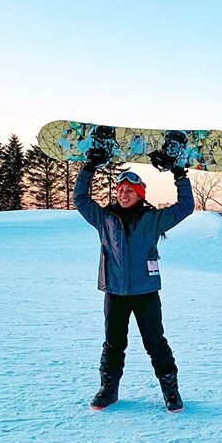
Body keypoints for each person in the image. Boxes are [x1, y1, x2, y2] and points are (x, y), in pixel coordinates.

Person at [73, 128, 195, 412]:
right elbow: (81, 200)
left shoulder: (153, 219)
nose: (124, 194)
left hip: (145, 292)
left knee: (155, 343)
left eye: (130, 191)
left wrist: (179, 174)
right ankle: (108, 390)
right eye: (121, 190)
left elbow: (186, 206)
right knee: (113, 344)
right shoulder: (105, 218)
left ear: (140, 195)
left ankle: (171, 392)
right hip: (114, 291)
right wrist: (89, 167)